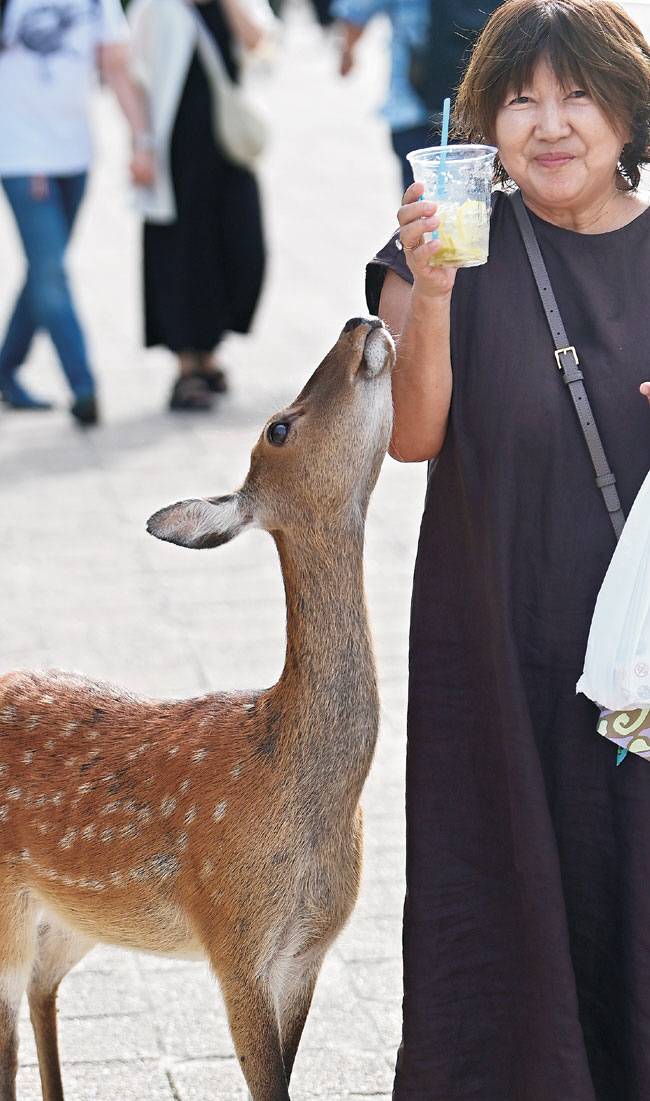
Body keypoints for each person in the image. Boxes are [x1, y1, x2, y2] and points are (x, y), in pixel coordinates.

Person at [365, 0, 650, 1097]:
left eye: (575, 92)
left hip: (634, 646)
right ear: (479, 118)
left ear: (626, 113)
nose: (548, 122)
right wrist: (429, 291)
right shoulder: (442, 241)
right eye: (517, 97)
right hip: (496, 633)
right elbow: (412, 435)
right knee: (505, 888)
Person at [0, 0, 154, 425]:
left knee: (43, 269)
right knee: (51, 273)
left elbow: (115, 68)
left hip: (75, 156)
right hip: (19, 155)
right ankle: (83, 387)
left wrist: (141, 142)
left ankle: (4, 369)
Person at [128, 0, 270, 412]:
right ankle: (188, 365)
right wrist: (141, 144)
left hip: (228, 150)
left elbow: (260, 41)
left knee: (243, 250)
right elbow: (132, 73)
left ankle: (209, 353)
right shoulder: (155, 7)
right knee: (182, 253)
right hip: (174, 151)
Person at [333, 0, 431, 193]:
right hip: (483, 110)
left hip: (412, 109)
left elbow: (356, 10)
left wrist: (347, 52)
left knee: (419, 207)